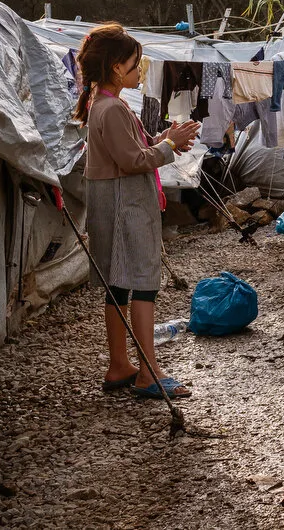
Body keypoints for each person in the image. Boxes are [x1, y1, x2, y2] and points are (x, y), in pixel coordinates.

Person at [75, 24, 200, 400]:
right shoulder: (112, 108)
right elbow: (132, 161)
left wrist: (167, 139)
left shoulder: (106, 104)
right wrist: (167, 147)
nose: (139, 69)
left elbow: (137, 147)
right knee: (144, 284)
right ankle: (149, 372)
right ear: (115, 67)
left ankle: (120, 365)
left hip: (112, 203)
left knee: (118, 286)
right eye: (133, 63)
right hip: (125, 206)